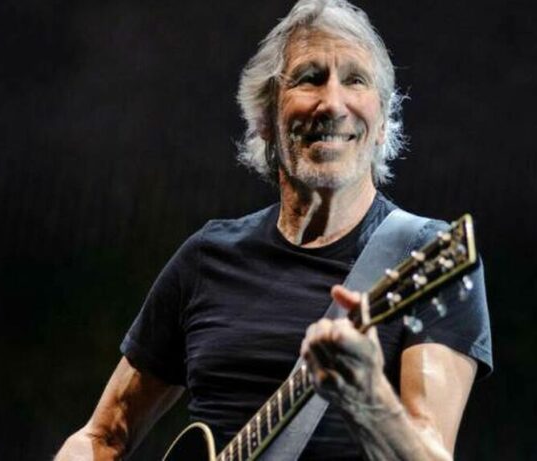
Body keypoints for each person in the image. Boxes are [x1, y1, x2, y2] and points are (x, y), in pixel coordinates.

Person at [55, 0, 492, 459]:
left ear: (382, 122)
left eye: (355, 80)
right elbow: (102, 436)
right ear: (265, 118)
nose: (333, 103)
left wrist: (370, 400)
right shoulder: (207, 258)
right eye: (310, 78)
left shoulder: (426, 255)